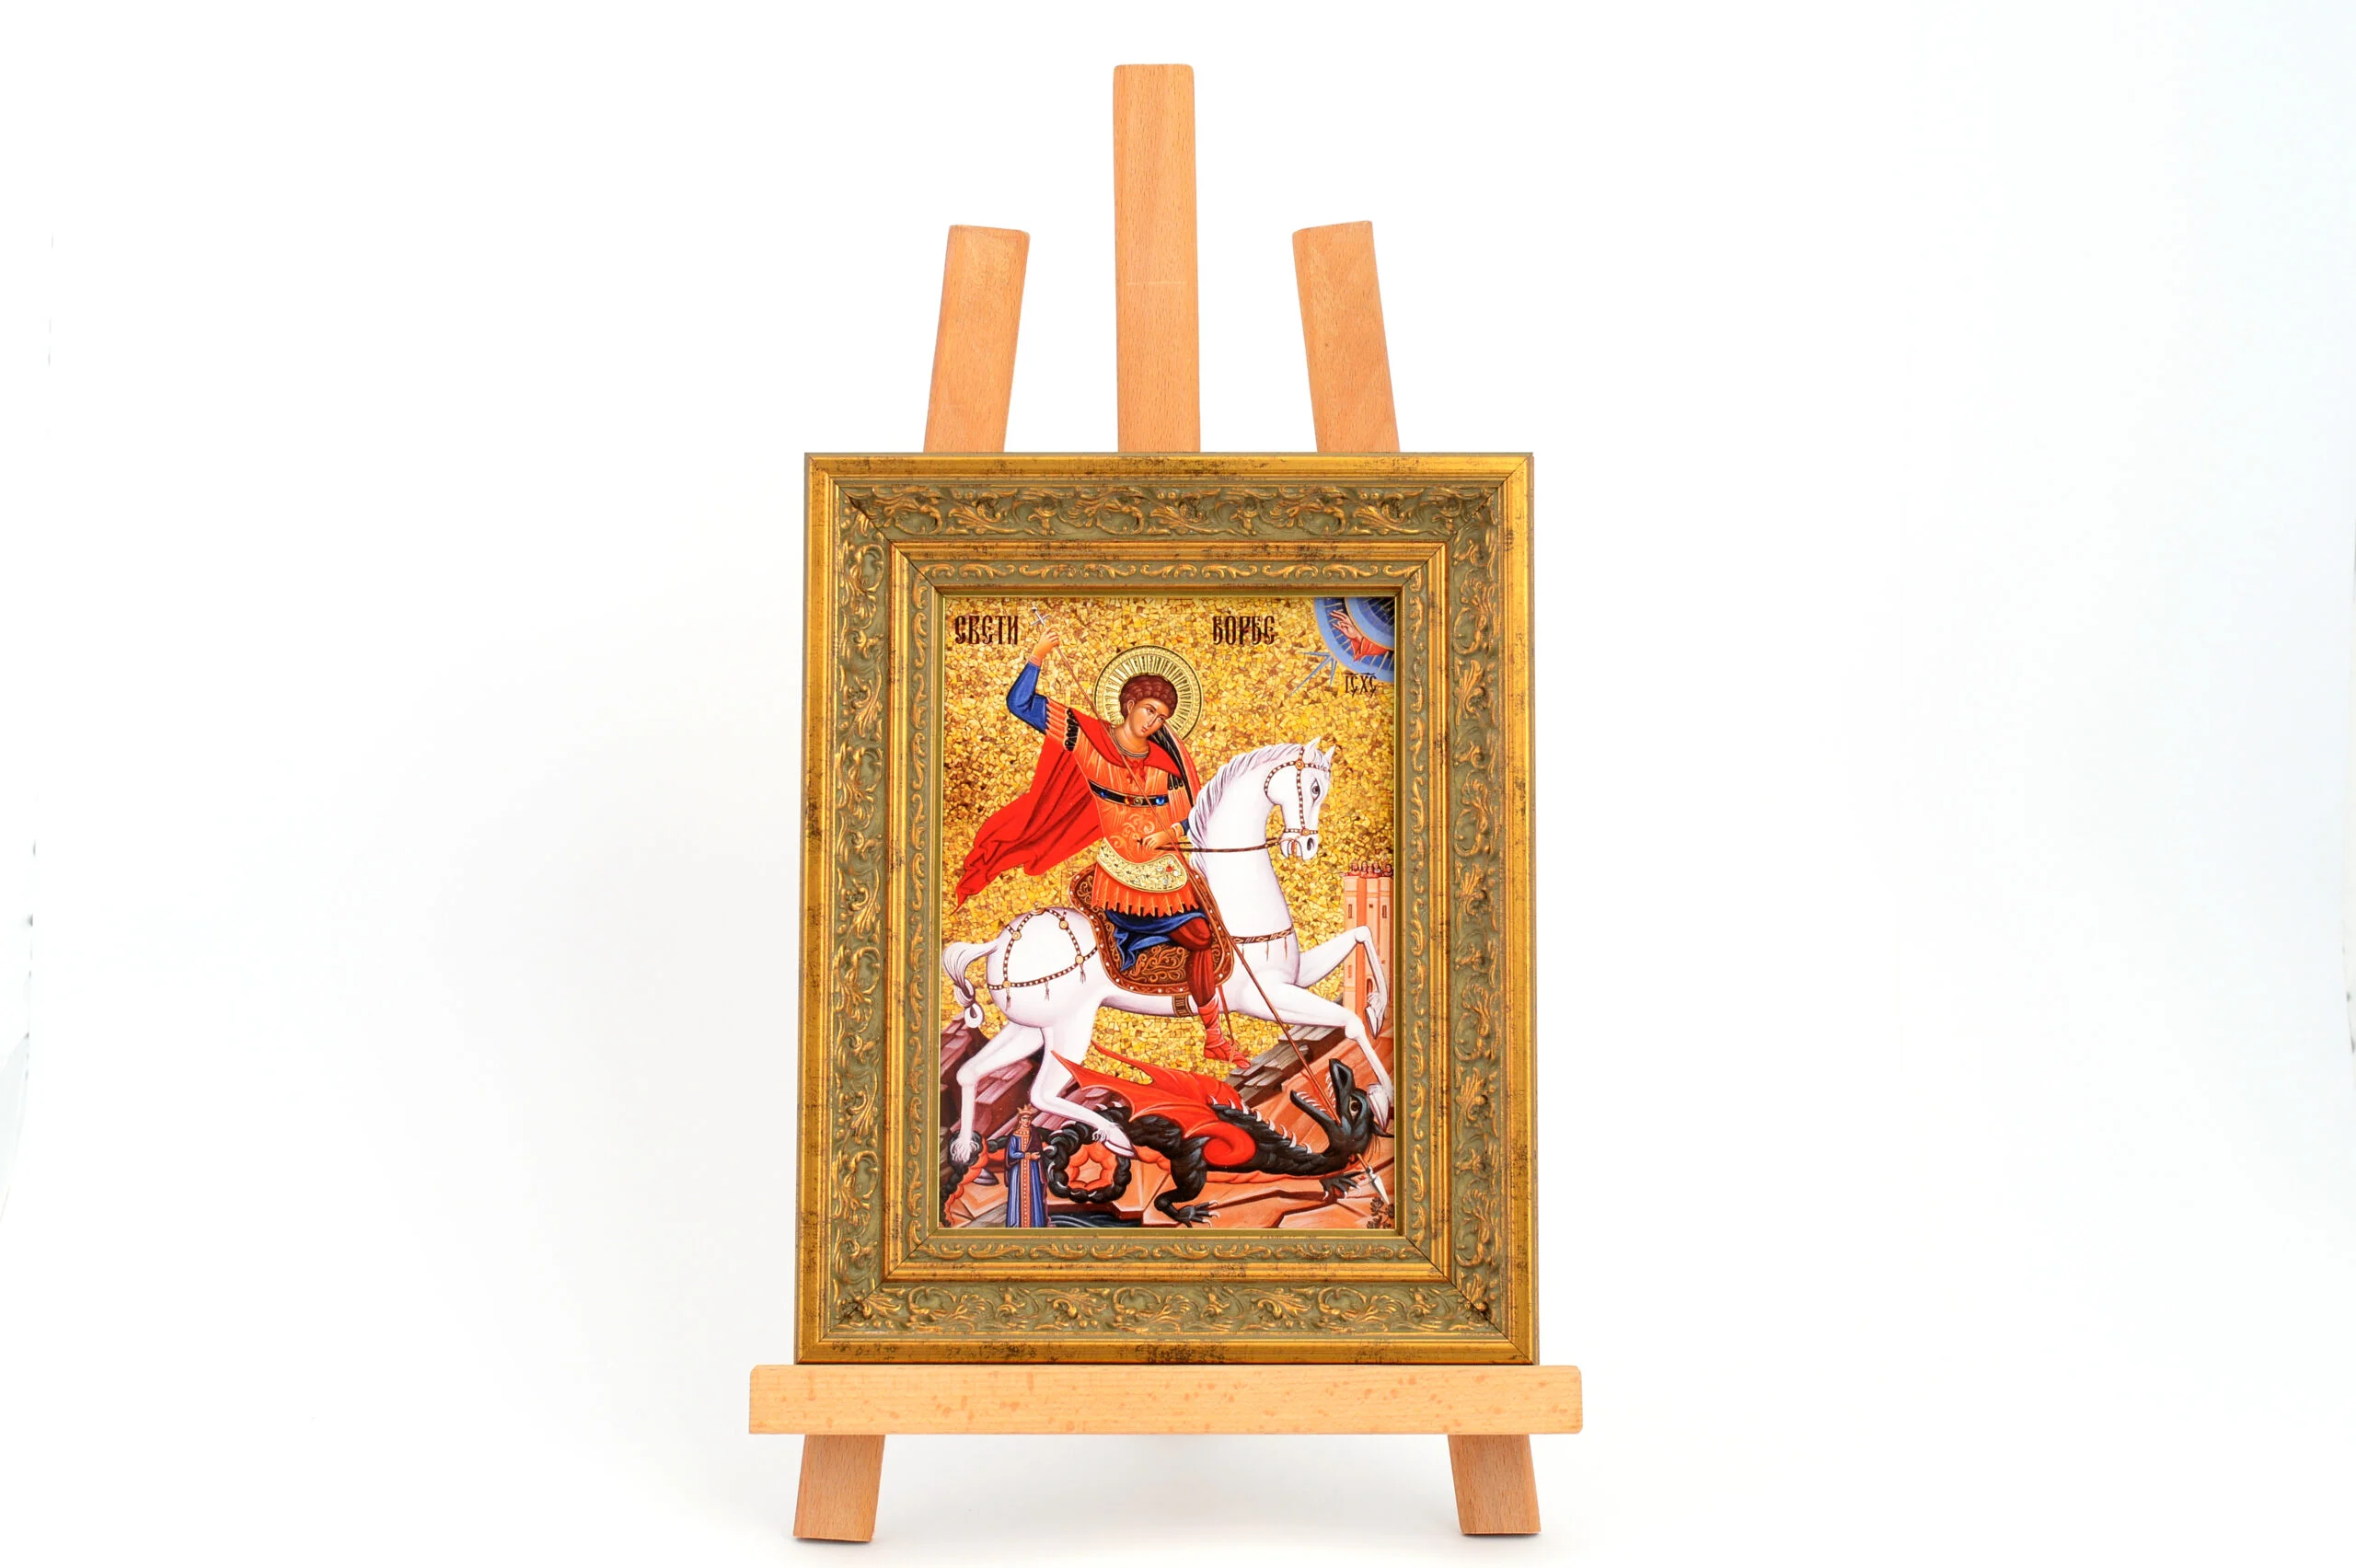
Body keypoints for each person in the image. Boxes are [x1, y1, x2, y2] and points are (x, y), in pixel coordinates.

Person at [953, 633, 1243, 1065]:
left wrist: (1169, 833)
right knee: (1198, 935)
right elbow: (1021, 704)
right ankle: (1202, 1026)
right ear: (1129, 704)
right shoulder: (1088, 740)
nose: (1153, 722)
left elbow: (1190, 815)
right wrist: (1037, 656)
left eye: (1162, 717)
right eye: (1149, 709)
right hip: (1122, 875)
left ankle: (1213, 1036)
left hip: (1167, 871)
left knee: (1207, 936)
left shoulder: (1167, 763)